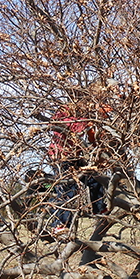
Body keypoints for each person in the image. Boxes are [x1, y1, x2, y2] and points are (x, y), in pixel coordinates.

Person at [47, 100, 107, 236]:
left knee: (93, 177)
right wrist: (88, 123)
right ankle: (59, 224)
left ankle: (99, 209)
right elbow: (59, 125)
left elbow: (92, 138)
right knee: (67, 189)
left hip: (74, 156)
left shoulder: (84, 116)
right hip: (61, 156)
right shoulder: (67, 112)